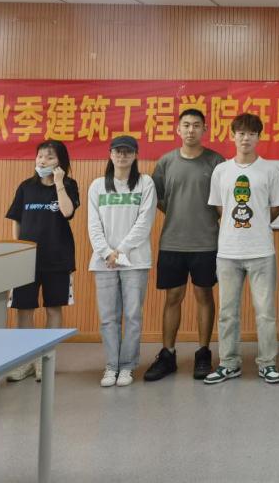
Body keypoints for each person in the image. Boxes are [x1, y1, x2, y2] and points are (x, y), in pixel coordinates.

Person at [203, 113, 279, 385]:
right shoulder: (221, 171)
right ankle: (229, 363)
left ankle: (267, 363)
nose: (245, 138)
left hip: (261, 251)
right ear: (232, 136)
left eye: (251, 133)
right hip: (228, 252)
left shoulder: (270, 171)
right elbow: (219, 207)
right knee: (228, 312)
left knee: (265, 312)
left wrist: (257, 222)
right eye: (241, 133)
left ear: (259, 137)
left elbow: (276, 206)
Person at [144, 109, 226, 382]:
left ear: (205, 129)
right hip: (173, 242)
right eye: (186, 125)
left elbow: (224, 202)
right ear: (178, 129)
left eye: (196, 125)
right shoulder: (166, 162)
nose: (191, 130)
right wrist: (177, 214)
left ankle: (203, 353)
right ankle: (168, 354)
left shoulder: (216, 162)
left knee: (204, 296)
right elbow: (157, 198)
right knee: (173, 297)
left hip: (206, 242)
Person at [6, 139, 81, 382]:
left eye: (49, 157)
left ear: (61, 161)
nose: (43, 161)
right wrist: (18, 249)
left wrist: (58, 183)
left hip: (57, 257)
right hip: (27, 259)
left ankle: (45, 361)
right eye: (40, 156)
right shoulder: (25, 187)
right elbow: (16, 219)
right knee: (24, 309)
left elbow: (67, 212)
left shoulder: (69, 185)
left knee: (53, 308)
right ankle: (25, 361)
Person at [87, 136, 157, 387]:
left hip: (135, 260)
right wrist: (107, 252)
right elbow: (93, 224)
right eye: (118, 151)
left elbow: (145, 221)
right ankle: (111, 366)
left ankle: (127, 366)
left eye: (128, 151)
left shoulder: (145, 183)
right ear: (110, 154)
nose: (122, 155)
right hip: (104, 261)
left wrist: (121, 250)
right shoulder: (98, 186)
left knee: (133, 316)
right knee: (108, 318)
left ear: (135, 155)